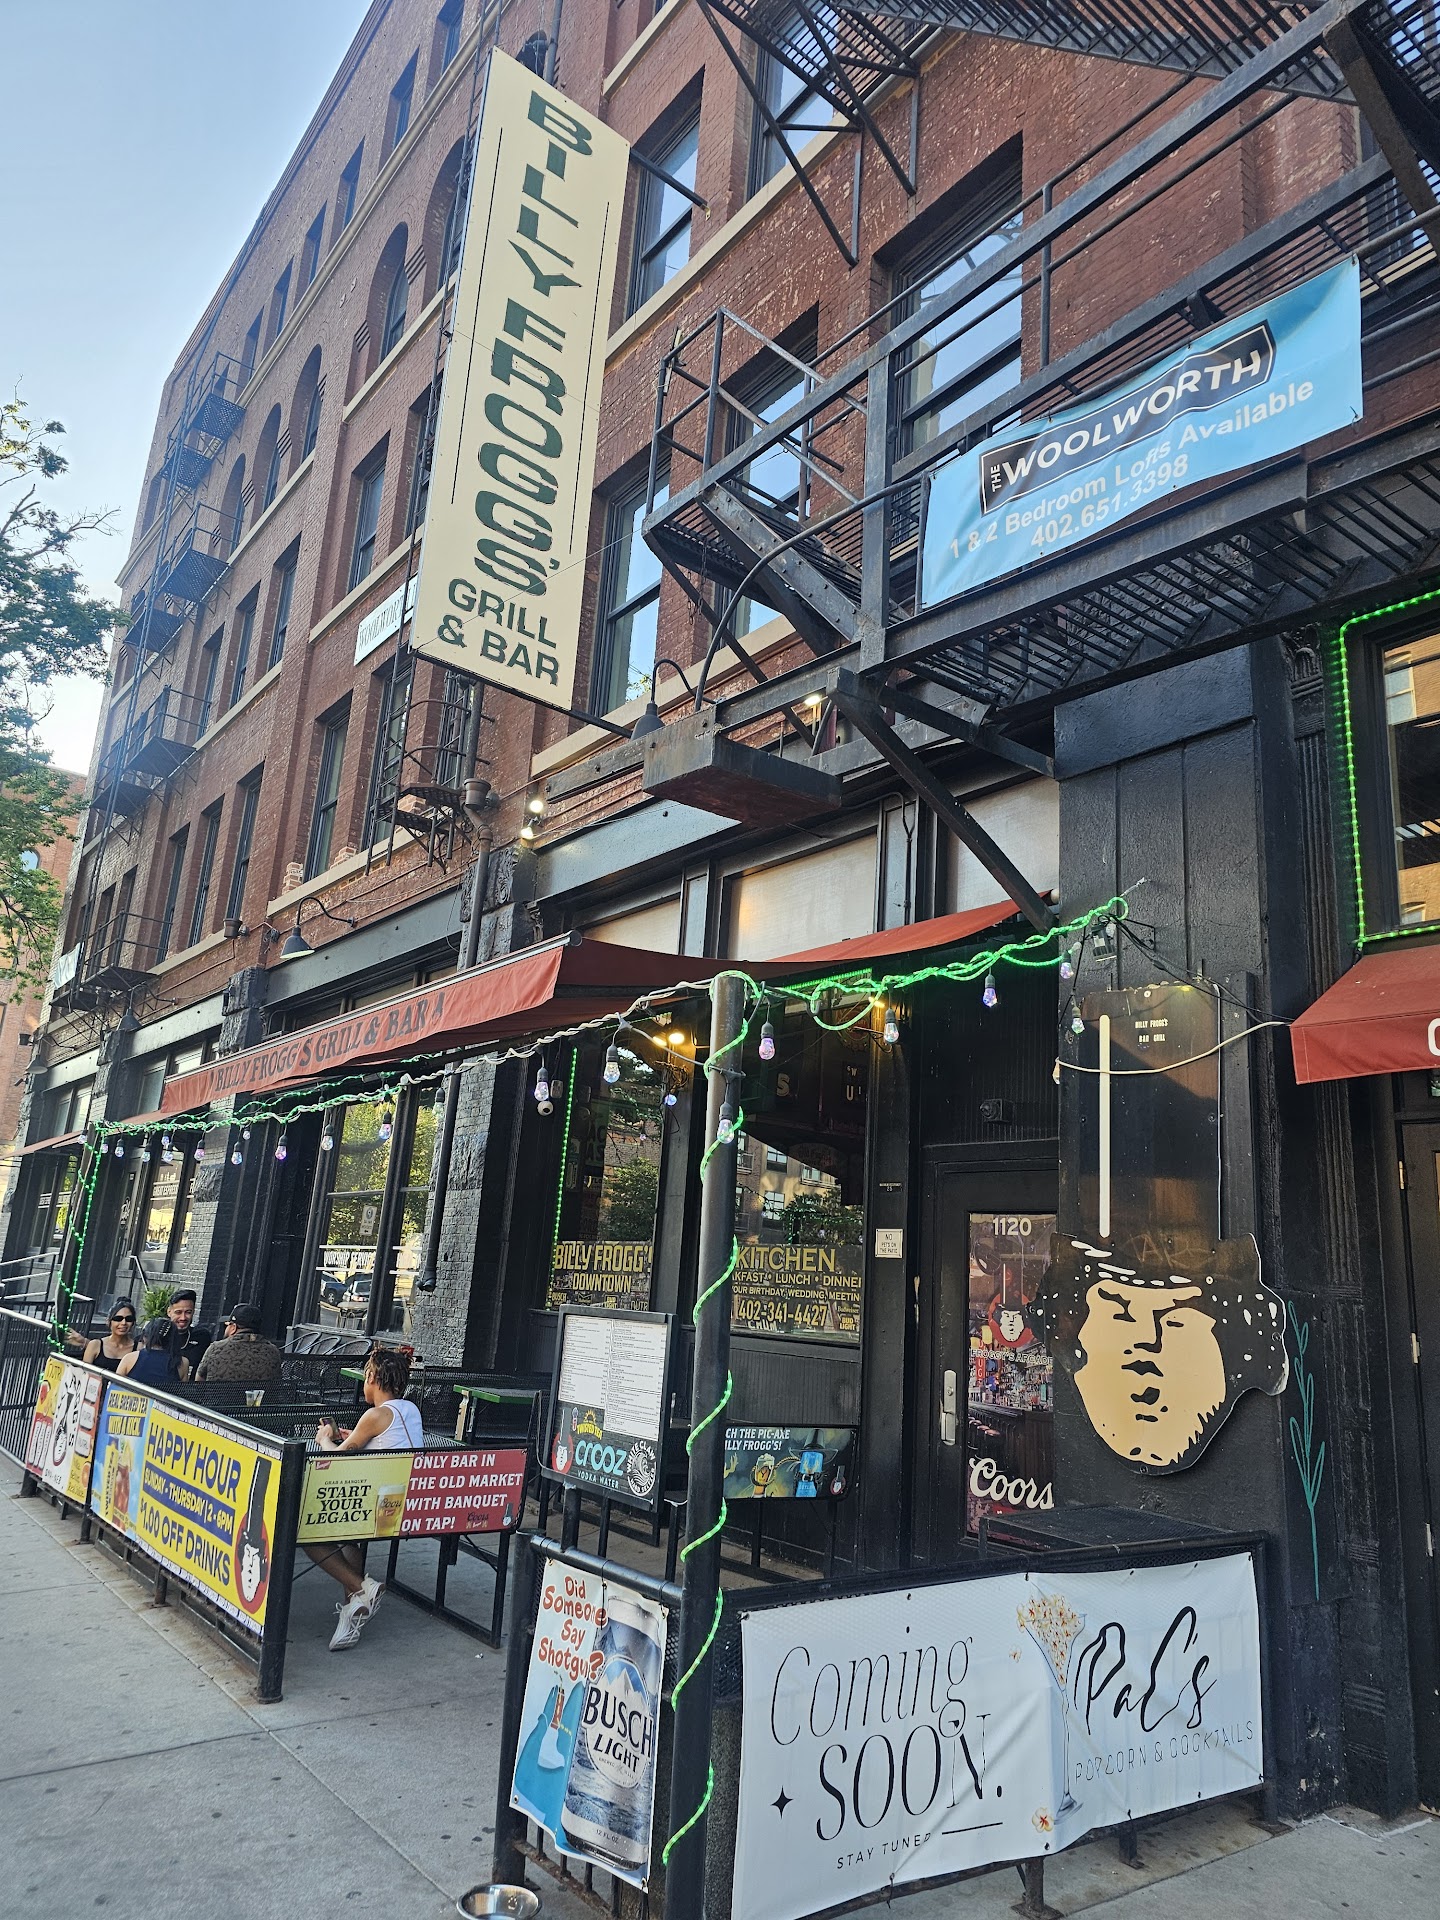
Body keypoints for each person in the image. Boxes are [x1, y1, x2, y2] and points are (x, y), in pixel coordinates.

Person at [304, 1345, 424, 1651]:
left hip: (379, 1508)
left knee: (307, 1532)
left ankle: (360, 1589)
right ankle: (352, 1616)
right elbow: (386, 1440)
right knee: (348, 1541)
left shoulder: (375, 1414)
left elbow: (336, 1459)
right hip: (408, 1501)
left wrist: (324, 1440)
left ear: (372, 1376)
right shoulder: (410, 1410)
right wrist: (356, 1436)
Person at [194, 1302, 283, 1383]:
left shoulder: (216, 1348)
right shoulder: (273, 1352)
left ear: (233, 1327)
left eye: (227, 1325)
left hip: (218, 1396)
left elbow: (199, 1381)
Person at [118, 1317, 190, 1386]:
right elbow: (182, 1391)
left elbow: (114, 1387)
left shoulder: (129, 1359)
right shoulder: (183, 1363)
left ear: (145, 1337)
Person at [165, 1289, 211, 1375]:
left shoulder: (202, 1337)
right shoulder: (160, 1336)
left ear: (193, 1312)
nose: (183, 1318)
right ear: (169, 1312)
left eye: (188, 1312)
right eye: (178, 1312)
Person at [83, 1302, 138, 1372]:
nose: (123, 1323)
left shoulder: (139, 1348)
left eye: (129, 1319)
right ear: (109, 1321)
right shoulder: (95, 1345)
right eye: (118, 1318)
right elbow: (84, 1374)